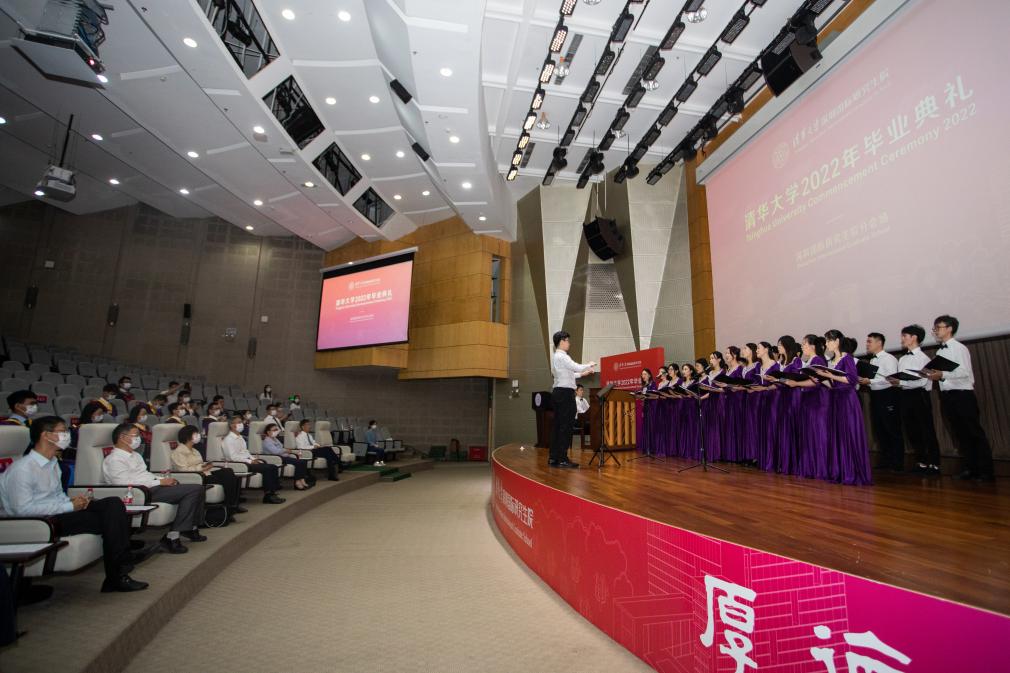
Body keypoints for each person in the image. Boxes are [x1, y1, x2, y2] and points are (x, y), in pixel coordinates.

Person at [0, 416, 148, 592]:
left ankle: (119, 571)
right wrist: (69, 506)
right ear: (46, 435)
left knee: (113, 504)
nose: (67, 435)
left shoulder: (52, 463)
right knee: (112, 520)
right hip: (43, 522)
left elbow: (56, 496)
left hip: (59, 512)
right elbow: (22, 509)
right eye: (62, 431)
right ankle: (118, 574)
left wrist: (72, 501)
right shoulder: (22, 469)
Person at [102, 423, 207, 553]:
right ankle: (172, 536)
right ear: (122, 437)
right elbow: (123, 483)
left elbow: (146, 475)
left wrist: (162, 480)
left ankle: (189, 527)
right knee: (194, 489)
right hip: (139, 493)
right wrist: (159, 482)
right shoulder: (114, 459)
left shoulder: (135, 455)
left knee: (197, 488)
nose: (139, 438)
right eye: (135, 435)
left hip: (151, 488)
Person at [924, 315, 994, 481]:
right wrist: (936, 375)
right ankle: (970, 468)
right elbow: (945, 375)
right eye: (934, 328)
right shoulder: (940, 351)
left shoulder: (959, 348)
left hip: (962, 395)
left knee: (973, 433)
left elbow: (964, 372)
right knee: (960, 434)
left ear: (949, 328)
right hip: (947, 396)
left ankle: (986, 471)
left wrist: (942, 374)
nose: (936, 331)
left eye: (938, 327)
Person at [819, 332, 872, 485]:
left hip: (847, 400)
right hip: (835, 399)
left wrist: (830, 376)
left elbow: (851, 379)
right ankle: (840, 471)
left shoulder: (846, 358)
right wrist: (822, 378)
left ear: (837, 341)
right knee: (838, 435)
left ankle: (852, 471)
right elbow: (833, 384)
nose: (826, 344)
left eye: (828, 341)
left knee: (848, 433)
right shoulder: (832, 361)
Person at [888, 325, 941, 475]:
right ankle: (921, 462)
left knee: (926, 429)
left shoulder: (923, 358)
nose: (902, 339)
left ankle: (934, 464)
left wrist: (901, 382)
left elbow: (923, 382)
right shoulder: (903, 358)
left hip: (919, 395)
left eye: (905, 336)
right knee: (912, 430)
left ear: (914, 338)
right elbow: (901, 378)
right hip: (905, 395)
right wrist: (897, 381)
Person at [171, 425, 244, 520]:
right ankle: (230, 508)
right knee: (225, 480)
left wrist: (206, 466)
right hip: (197, 477)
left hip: (204, 473)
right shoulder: (179, 452)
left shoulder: (195, 450)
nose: (198, 435)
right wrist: (202, 468)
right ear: (188, 436)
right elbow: (183, 470)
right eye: (196, 434)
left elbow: (200, 463)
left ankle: (232, 505)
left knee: (228, 472)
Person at [549, 331, 594, 468]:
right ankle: (562, 458)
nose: (569, 343)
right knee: (566, 426)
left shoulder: (557, 357)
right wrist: (589, 364)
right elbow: (575, 366)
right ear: (562, 341)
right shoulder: (562, 356)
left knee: (558, 426)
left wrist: (583, 374)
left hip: (558, 392)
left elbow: (569, 374)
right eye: (567, 340)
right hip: (565, 394)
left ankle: (554, 457)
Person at [860, 332, 903, 471]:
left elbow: (890, 379)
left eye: (870, 341)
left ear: (879, 343)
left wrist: (870, 381)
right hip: (875, 396)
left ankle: (897, 462)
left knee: (891, 428)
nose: (867, 344)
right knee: (879, 429)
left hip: (888, 395)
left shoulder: (889, 358)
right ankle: (886, 460)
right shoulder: (872, 360)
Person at [221, 415, 285, 504]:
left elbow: (246, 452)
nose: (241, 424)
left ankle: (272, 493)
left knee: (273, 467)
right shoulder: (228, 439)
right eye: (239, 422)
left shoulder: (240, 437)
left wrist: (253, 459)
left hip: (247, 461)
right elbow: (233, 457)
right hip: (239, 464)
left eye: (241, 422)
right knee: (268, 469)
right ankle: (268, 496)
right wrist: (250, 461)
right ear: (232, 425)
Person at [260, 424, 312, 490]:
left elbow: (281, 448)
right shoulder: (267, 441)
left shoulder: (275, 439)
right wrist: (285, 450)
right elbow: (275, 451)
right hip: (277, 458)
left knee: (303, 461)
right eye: (274, 430)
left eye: (277, 429)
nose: (276, 431)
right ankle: (297, 482)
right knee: (299, 462)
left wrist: (286, 451)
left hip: (283, 456)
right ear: (268, 432)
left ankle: (302, 480)